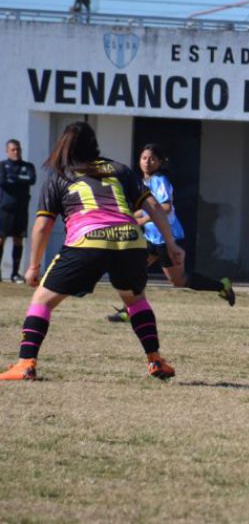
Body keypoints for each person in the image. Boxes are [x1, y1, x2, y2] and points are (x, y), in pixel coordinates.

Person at [1, 121, 184, 381]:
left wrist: (33, 266)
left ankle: (25, 363)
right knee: (135, 300)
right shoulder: (119, 169)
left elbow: (42, 226)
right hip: (130, 241)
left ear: (64, 146)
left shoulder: (59, 177)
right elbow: (153, 205)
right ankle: (155, 360)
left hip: (88, 242)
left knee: (41, 302)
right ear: (94, 145)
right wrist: (172, 243)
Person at [106, 143, 235, 323]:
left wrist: (142, 220)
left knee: (178, 281)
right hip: (152, 238)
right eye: (144, 158)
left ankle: (222, 286)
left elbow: (165, 207)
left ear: (160, 162)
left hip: (168, 238)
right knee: (134, 271)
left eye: (152, 159)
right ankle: (130, 311)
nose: (147, 162)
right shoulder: (143, 182)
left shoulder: (159, 180)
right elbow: (146, 209)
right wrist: (129, 217)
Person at [0, 139, 37, 283]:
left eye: (18, 149)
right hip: (5, 209)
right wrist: (20, 180)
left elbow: (31, 179)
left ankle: (15, 273)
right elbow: (2, 181)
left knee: (18, 239)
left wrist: (13, 179)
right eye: (13, 150)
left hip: (21, 209)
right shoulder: (2, 166)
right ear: (7, 151)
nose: (16, 152)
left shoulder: (28, 166)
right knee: (1, 239)